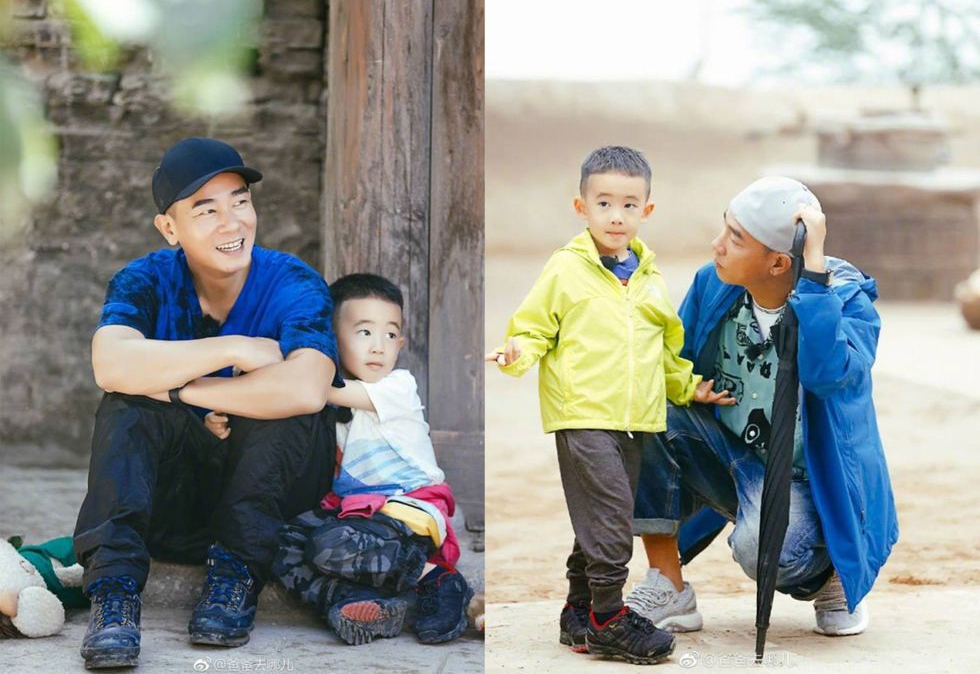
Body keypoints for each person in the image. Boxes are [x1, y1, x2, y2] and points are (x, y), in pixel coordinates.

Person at [73, 137, 343, 669]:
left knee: (286, 409)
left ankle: (234, 578)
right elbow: (111, 365)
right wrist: (233, 350)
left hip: (274, 505)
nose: (232, 223)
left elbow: (308, 386)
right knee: (125, 407)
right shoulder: (144, 280)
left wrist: (181, 389)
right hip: (177, 505)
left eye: (240, 201)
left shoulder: (293, 282)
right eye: (207, 209)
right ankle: (115, 595)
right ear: (170, 228)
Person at [486, 146, 732, 665]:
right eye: (603, 204)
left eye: (628, 204)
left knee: (599, 518)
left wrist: (689, 389)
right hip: (582, 415)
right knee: (615, 522)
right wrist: (516, 352)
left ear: (647, 210)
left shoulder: (648, 278)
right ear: (582, 208)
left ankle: (577, 610)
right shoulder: (565, 270)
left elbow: (664, 350)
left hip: (636, 420)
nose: (615, 216)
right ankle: (607, 620)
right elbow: (533, 328)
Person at [626, 176, 898, 640]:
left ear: (777, 262)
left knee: (764, 552)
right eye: (724, 229)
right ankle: (668, 585)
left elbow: (826, 374)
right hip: (731, 454)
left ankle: (828, 576)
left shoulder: (849, 305)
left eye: (735, 238)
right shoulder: (714, 284)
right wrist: (684, 387)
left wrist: (811, 277)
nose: (717, 246)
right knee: (648, 413)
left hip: (808, 485)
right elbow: (675, 361)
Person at [265, 273, 473, 646]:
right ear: (332, 337)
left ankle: (436, 578)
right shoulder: (331, 403)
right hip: (358, 517)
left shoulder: (397, 387)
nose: (379, 347)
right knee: (282, 542)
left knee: (329, 544)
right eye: (364, 333)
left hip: (406, 513)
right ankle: (363, 605)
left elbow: (310, 387)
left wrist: (269, 370)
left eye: (390, 335)